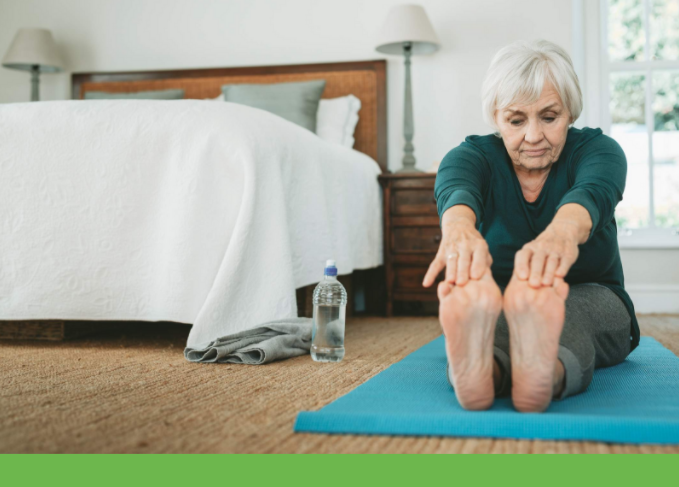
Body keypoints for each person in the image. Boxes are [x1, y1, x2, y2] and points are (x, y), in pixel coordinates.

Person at [423, 39, 639, 413]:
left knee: (567, 314)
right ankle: (486, 370)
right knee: (500, 320)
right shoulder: (473, 156)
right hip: (505, 302)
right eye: (516, 120)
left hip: (594, 294)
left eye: (549, 117)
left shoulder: (599, 152)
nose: (534, 136)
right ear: (496, 117)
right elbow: (456, 186)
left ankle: (533, 371)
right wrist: (458, 229)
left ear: (570, 112)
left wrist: (561, 234)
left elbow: (592, 193)